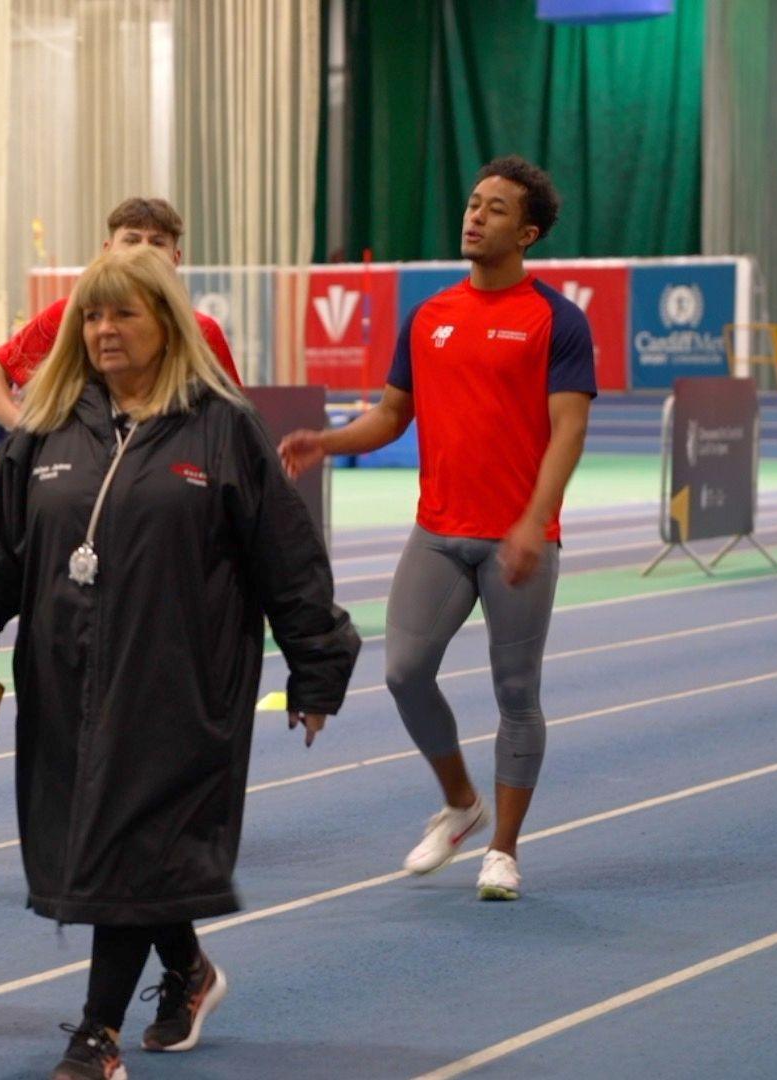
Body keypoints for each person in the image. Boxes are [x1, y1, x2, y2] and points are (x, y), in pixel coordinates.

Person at [0, 246, 359, 1080]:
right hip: (65, 683)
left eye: (123, 313)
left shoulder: (221, 425)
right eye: (92, 315)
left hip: (180, 683)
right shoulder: (50, 426)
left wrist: (315, 671)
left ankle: (96, 1036)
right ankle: (189, 971)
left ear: (166, 323)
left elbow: (289, 560)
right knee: (111, 848)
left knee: (131, 843)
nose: (103, 330)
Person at [279, 155, 594, 902]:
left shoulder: (558, 319)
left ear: (529, 232)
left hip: (519, 540)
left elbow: (568, 430)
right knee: (403, 672)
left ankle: (505, 851)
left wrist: (530, 522)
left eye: (494, 208)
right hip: (439, 533)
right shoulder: (430, 315)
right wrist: (326, 440)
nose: (475, 215)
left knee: (516, 690)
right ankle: (461, 804)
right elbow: (392, 414)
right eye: (473, 202)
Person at [0, 197, 243, 452]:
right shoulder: (67, 316)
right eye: (132, 240)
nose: (143, 251)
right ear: (108, 250)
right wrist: (32, 437)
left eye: (157, 242)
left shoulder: (202, 331)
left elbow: (233, 420)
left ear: (176, 258)